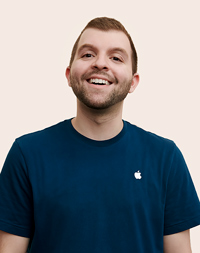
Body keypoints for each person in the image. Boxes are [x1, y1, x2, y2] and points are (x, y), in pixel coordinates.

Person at [0, 17, 200, 253]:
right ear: (68, 74)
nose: (100, 64)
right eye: (87, 55)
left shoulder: (166, 158)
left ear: (133, 82)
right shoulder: (27, 154)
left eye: (116, 58)